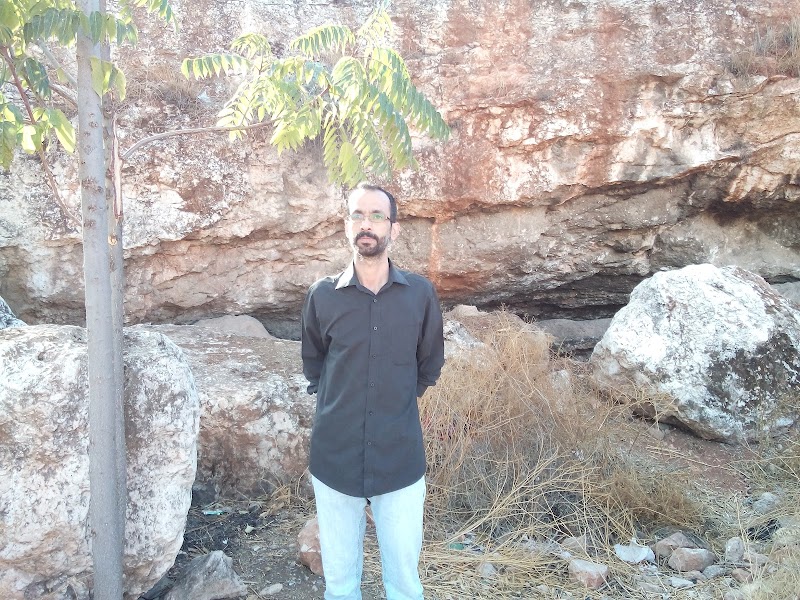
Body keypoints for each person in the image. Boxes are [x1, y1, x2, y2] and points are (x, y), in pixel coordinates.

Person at [300, 183, 445, 600]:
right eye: (358, 215)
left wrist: (392, 404)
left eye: (377, 215)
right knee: (340, 585)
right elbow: (314, 366)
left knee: (404, 585)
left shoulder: (420, 295)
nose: (367, 224)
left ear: (393, 229)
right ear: (347, 225)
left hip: (399, 457)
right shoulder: (322, 296)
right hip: (335, 457)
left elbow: (429, 365)